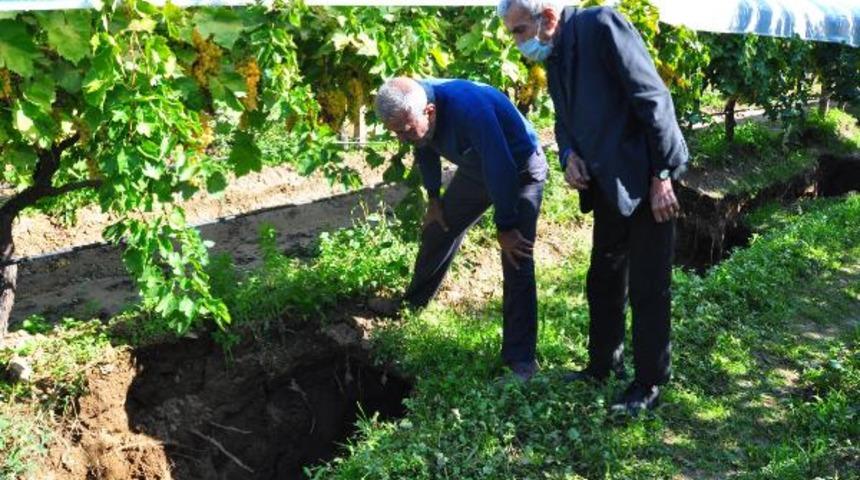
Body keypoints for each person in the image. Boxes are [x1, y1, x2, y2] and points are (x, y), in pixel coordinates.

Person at [498, 0, 689, 414]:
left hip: (646, 176)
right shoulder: (553, 52)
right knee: (603, 276)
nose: (517, 43)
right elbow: (565, 120)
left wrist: (663, 175)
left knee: (648, 285)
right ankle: (604, 365)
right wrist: (568, 155)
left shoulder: (601, 24)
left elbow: (652, 97)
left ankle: (650, 383)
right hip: (607, 183)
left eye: (518, 32)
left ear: (547, 17)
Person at [372, 77, 548, 382]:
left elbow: (501, 166)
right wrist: (434, 198)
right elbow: (423, 146)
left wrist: (506, 226)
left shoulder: (470, 108)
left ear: (429, 111)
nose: (401, 137)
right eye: (395, 132)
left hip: (519, 168)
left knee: (516, 255)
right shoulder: (415, 111)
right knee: (438, 228)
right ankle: (412, 304)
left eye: (405, 129)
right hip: (477, 167)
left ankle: (522, 362)